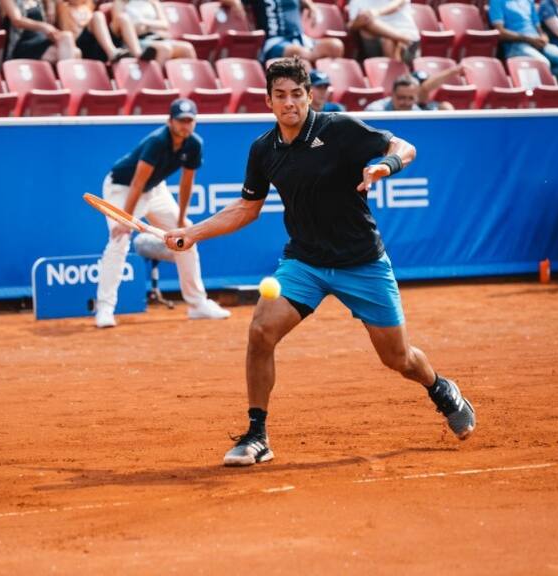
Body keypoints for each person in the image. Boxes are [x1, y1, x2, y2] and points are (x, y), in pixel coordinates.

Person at [163, 58, 476, 466]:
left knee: (397, 359)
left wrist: (385, 164)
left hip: (361, 261)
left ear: (310, 96)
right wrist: (194, 232)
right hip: (305, 262)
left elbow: (405, 147)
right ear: (269, 101)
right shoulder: (263, 149)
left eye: (297, 94)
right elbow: (246, 208)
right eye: (280, 96)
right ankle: (257, 435)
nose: (289, 103)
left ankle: (440, 389)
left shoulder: (339, 129)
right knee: (260, 332)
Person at [94, 98, 231, 328]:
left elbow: (187, 184)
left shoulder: (194, 144)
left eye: (189, 121)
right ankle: (105, 308)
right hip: (123, 189)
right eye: (180, 121)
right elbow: (137, 183)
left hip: (155, 190)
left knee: (187, 237)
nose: (185, 125)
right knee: (119, 239)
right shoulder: (157, 142)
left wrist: (180, 223)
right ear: (170, 121)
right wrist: (125, 220)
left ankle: (197, 304)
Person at [220, 0, 344, 63]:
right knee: (298, 54)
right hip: (274, 42)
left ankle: (318, 76)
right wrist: (235, 2)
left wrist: (309, 4)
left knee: (335, 46)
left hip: (300, 38)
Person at [489, 0, 558, 84]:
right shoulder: (497, 1)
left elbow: (538, 27)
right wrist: (528, 39)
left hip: (536, 42)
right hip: (515, 44)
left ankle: (543, 92)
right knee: (543, 64)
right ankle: (540, 94)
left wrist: (543, 37)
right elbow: (500, 32)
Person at [109, 0, 196, 65]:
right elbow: (118, 26)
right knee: (164, 49)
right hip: (136, 42)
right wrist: (149, 27)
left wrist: (144, 23)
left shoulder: (153, 2)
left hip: (155, 37)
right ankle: (156, 83)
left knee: (187, 48)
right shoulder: (120, 2)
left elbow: (165, 24)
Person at [1, 0, 80, 62]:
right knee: (75, 53)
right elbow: (17, 21)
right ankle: (68, 80)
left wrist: (50, 6)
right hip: (23, 43)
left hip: (40, 40)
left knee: (67, 36)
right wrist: (43, 26)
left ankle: (66, 80)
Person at [346, 0, 421, 63]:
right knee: (366, 26)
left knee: (388, 41)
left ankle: (395, 75)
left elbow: (397, 5)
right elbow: (352, 25)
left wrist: (377, 12)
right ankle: (401, 38)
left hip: (408, 42)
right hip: (378, 41)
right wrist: (363, 19)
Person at [57, 0, 130, 63]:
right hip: (81, 45)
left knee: (101, 16)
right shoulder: (63, 7)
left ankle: (117, 52)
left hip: (96, 44)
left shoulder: (88, 5)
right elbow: (70, 33)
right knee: (97, 16)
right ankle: (112, 53)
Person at [365, 73, 457, 111]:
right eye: (401, 97)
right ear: (392, 95)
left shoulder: (416, 111)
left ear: (416, 98)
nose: (406, 102)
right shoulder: (375, 112)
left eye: (411, 98)